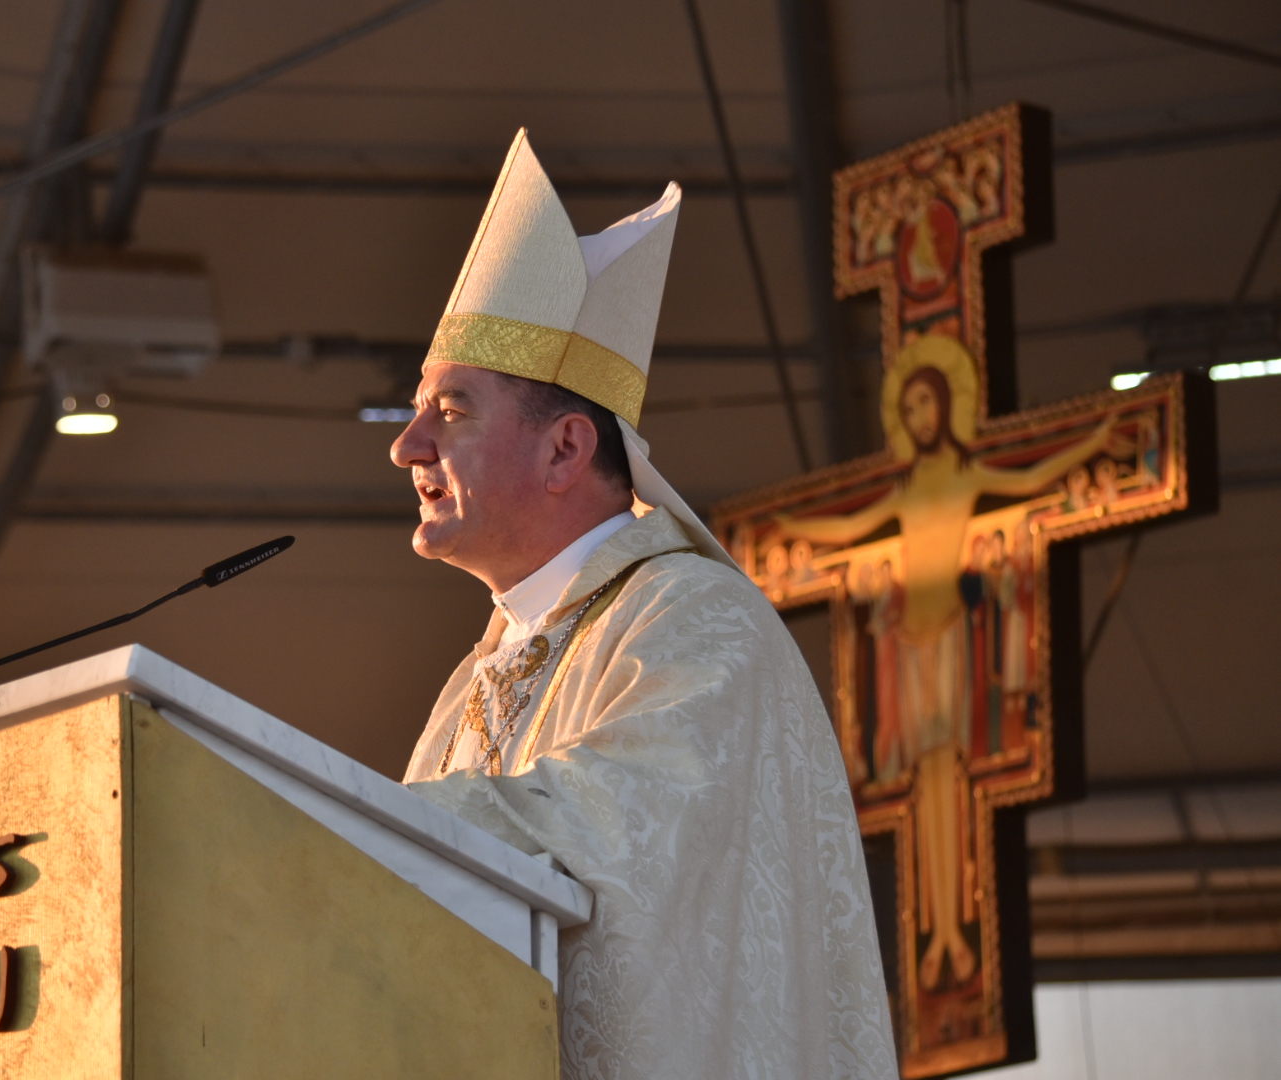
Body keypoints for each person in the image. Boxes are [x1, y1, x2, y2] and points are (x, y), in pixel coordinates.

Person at [393, 129, 897, 1080]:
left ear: (565, 449)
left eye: (450, 411)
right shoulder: (473, 682)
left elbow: (624, 835)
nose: (407, 446)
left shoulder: (696, 620)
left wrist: (364, 823)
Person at [773, 336, 1123, 992]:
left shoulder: (964, 477)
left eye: (927, 402)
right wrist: (793, 527)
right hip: (908, 648)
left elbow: (1030, 481)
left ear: (946, 405)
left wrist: (1095, 443)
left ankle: (952, 929)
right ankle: (939, 934)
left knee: (948, 782)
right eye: (910, 408)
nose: (920, 417)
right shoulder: (907, 489)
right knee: (928, 784)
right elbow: (851, 529)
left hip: (953, 644)